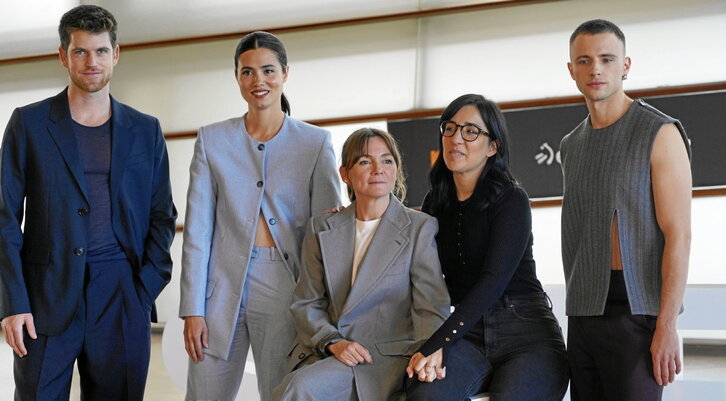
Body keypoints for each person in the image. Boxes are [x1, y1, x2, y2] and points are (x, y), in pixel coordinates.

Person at [0, 5, 177, 400]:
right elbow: (5, 219)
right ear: (63, 56)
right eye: (80, 51)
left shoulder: (145, 130)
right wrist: (13, 303)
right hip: (45, 295)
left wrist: (144, 288)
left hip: (121, 294)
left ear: (116, 54)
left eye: (100, 51)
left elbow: (162, 215)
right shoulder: (28, 124)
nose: (91, 62)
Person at [179, 31, 341, 401]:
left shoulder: (315, 143)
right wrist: (192, 308)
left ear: (285, 73)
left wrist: (322, 307)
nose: (258, 81)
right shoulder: (212, 140)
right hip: (220, 285)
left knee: (280, 393)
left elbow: (326, 235)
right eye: (247, 72)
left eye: (268, 70)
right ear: (237, 78)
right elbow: (198, 232)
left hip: (287, 287)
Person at [406, 94, 569, 401]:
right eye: (450, 128)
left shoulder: (511, 199)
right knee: (423, 396)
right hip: (471, 334)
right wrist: (356, 216)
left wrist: (438, 342)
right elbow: (414, 261)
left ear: (492, 147)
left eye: (471, 131)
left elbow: (494, 280)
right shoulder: (435, 203)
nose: (456, 139)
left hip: (527, 333)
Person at [561, 19, 691, 401]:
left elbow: (679, 234)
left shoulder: (660, 132)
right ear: (572, 70)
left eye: (606, 58)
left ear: (626, 65)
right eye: (584, 60)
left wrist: (667, 325)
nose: (595, 69)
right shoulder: (570, 145)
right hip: (582, 312)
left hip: (638, 311)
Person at [272, 128, 451, 401]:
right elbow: (307, 302)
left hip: (385, 357)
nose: (378, 169)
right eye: (365, 161)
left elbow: (431, 306)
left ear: (396, 169)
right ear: (345, 174)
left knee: (301, 389)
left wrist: (429, 353)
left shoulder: (419, 228)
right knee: (293, 387)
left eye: (387, 160)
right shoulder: (321, 228)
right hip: (330, 350)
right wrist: (333, 342)